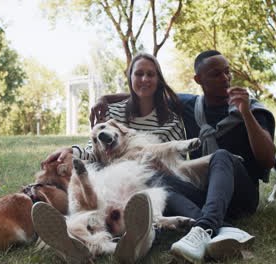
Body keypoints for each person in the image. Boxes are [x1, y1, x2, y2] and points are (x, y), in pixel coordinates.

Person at [90, 50, 276, 262]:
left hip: (241, 196)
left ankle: (203, 228)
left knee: (222, 156)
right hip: (203, 194)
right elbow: (146, 90)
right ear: (199, 80)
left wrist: (246, 114)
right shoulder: (188, 105)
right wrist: (105, 98)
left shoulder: (253, 108)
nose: (225, 78)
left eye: (227, 72)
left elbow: (268, 160)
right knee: (155, 176)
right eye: (216, 74)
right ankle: (225, 230)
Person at [32, 52, 186, 263]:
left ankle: (128, 244)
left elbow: (179, 163)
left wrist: (161, 167)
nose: (144, 79)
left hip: (144, 183)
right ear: (130, 78)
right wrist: (71, 150)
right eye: (138, 74)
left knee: (146, 211)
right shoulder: (114, 113)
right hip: (111, 184)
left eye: (151, 74)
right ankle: (72, 241)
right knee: (86, 198)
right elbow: (92, 150)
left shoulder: (171, 122)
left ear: (159, 79)